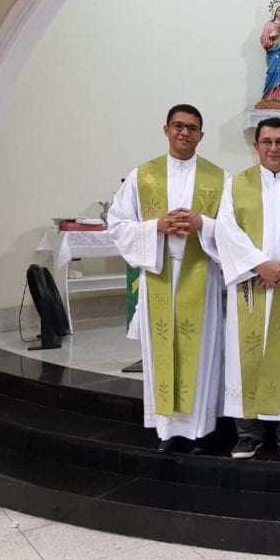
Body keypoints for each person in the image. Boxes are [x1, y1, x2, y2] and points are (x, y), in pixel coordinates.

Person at [108, 104, 226, 452]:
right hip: (158, 271)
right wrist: (156, 226)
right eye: (178, 125)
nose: (184, 132)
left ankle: (198, 429)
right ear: (166, 129)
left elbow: (233, 229)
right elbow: (117, 223)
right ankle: (166, 429)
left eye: (192, 128)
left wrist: (202, 224)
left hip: (200, 273)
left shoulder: (219, 178)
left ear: (201, 135)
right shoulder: (143, 176)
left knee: (199, 353)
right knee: (162, 351)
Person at [216, 117, 280, 460]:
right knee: (247, 356)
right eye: (267, 141)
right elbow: (226, 230)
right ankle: (248, 432)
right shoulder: (235, 185)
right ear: (256, 145)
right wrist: (260, 264)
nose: (273, 148)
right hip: (251, 284)